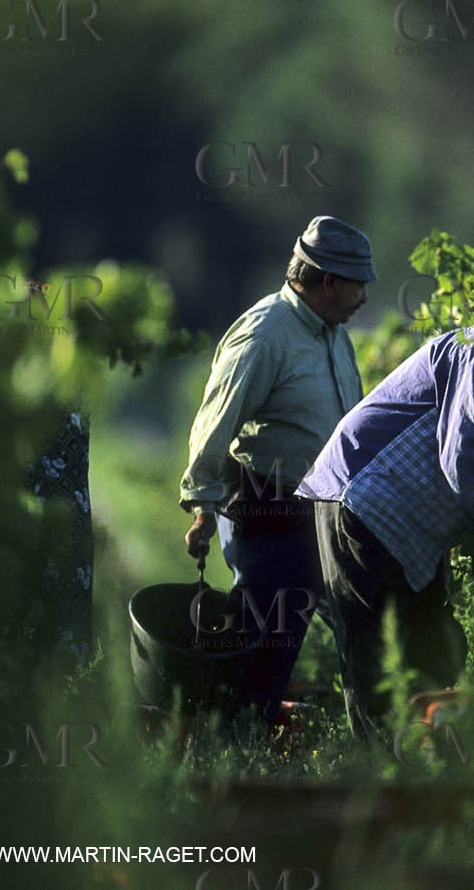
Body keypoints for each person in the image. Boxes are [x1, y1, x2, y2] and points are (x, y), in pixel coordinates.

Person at [178, 215, 376, 724]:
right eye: (358, 285)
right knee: (263, 641)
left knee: (323, 634)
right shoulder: (265, 334)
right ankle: (232, 744)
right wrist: (202, 506)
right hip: (265, 511)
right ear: (328, 282)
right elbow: (215, 421)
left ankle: (266, 735)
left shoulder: (333, 336)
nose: (364, 298)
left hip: (320, 512)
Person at [296, 327, 474, 741]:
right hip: (361, 499)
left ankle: (427, 758)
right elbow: (463, 463)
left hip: (410, 530)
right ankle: (384, 766)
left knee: (436, 650)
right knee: (375, 655)